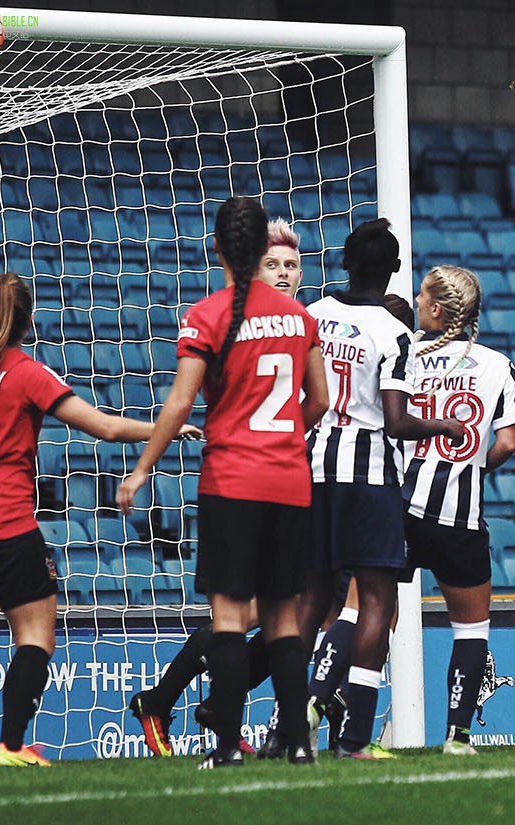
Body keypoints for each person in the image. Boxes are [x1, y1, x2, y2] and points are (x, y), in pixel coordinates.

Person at [0, 271, 197, 768]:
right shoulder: (25, 372)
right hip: (6, 524)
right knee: (35, 635)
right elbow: (103, 426)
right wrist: (165, 426)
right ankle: (11, 747)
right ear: (27, 321)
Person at [117, 196, 329, 769]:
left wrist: (141, 469)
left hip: (232, 478)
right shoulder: (301, 319)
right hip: (289, 480)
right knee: (284, 616)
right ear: (263, 250)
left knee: (230, 617)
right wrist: (285, 433)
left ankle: (227, 747)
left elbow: (180, 401)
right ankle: (300, 745)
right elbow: (322, 400)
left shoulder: (206, 316)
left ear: (217, 249)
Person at [302, 218, 464, 761]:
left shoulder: (313, 315)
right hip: (370, 475)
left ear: (344, 261)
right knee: (376, 600)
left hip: (314, 466)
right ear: (394, 274)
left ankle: (287, 722)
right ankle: (354, 741)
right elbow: (394, 422)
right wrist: (440, 426)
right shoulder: (394, 332)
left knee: (313, 597)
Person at [401, 264, 515, 755]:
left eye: (421, 294)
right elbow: (509, 442)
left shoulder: (404, 353)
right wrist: (474, 468)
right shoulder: (496, 363)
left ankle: (337, 713)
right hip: (460, 516)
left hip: (400, 506)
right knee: (471, 628)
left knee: (366, 614)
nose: (413, 299)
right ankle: (457, 734)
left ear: (436, 309)